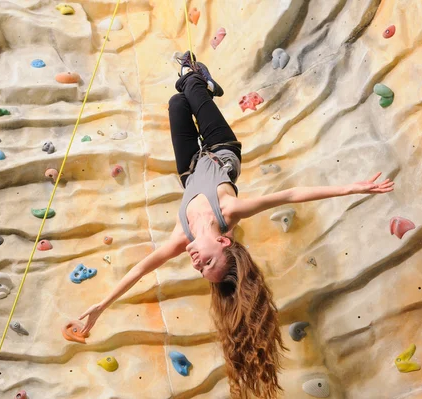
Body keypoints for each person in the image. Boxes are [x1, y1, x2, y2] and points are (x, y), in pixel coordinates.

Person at [78, 51, 394, 399]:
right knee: (190, 85)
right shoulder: (229, 210)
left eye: (201, 269)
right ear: (225, 244)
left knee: (176, 103)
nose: (197, 264)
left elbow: (139, 270)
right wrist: (352, 187)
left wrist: (100, 308)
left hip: (189, 169)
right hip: (220, 147)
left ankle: (196, 82)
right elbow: (291, 193)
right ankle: (200, 79)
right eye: (209, 262)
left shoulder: (180, 237)